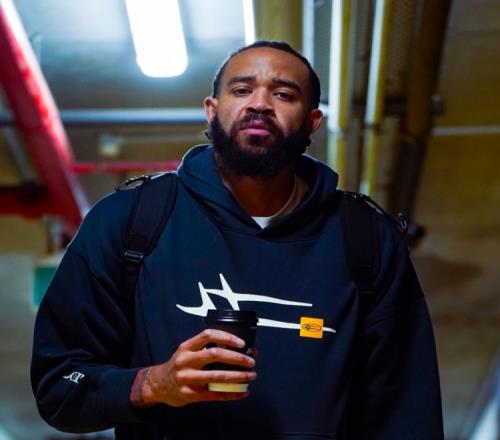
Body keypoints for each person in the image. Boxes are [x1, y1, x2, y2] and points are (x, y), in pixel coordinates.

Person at [31, 41, 444, 439]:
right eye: (242, 90)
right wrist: (154, 383)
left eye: (283, 94)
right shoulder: (130, 220)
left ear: (312, 122)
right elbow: (59, 383)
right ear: (212, 111)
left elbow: (408, 414)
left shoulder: (367, 239)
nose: (260, 103)